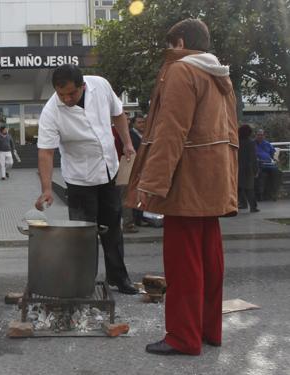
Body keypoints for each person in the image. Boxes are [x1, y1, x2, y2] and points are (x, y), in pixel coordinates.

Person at [126, 19, 238, 355]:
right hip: (214, 179)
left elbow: (171, 132)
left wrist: (151, 184)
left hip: (186, 181)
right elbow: (229, 133)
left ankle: (183, 338)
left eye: (169, 45)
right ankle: (209, 331)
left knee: (183, 262)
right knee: (209, 258)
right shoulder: (219, 74)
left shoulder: (180, 70)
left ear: (178, 42)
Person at [35, 64, 138, 295]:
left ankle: (119, 278)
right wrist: (46, 189)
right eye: (61, 94)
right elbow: (46, 152)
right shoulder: (51, 111)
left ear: (83, 85)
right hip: (80, 180)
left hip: (108, 171)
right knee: (84, 236)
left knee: (113, 229)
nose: (66, 98)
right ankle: (84, 283)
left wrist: (128, 143)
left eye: (71, 93)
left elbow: (118, 113)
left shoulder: (100, 85)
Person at [255, 129, 282, 201]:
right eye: (258, 135)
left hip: (269, 164)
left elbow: (273, 154)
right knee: (261, 174)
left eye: (261, 135)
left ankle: (274, 193)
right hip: (259, 164)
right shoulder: (253, 144)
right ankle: (260, 195)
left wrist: (276, 159)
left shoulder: (267, 144)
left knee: (277, 172)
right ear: (256, 135)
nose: (260, 136)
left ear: (264, 136)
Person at [238, 125, 259, 212]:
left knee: (239, 187)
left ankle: (243, 204)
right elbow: (253, 158)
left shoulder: (237, 142)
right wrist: (255, 170)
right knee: (249, 189)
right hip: (248, 169)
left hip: (238, 168)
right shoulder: (251, 143)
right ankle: (253, 207)